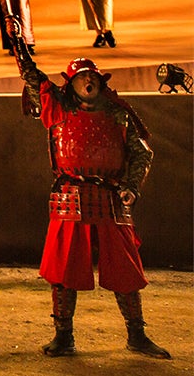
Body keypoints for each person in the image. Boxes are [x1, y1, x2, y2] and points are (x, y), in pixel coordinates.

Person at [10, 35, 170, 358]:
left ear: (99, 81)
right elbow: (33, 78)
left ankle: (136, 335)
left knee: (126, 270)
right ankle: (64, 337)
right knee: (65, 270)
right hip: (70, 198)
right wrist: (21, 52)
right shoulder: (55, 109)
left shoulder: (119, 114)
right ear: (70, 84)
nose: (88, 80)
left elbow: (142, 153)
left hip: (111, 198)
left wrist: (132, 187)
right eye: (82, 76)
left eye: (92, 76)